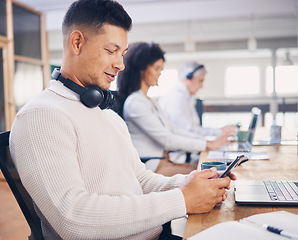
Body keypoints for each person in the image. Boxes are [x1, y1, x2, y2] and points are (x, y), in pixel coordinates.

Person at [9, 1, 236, 239]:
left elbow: (140, 178)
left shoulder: (106, 114)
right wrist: (181, 199)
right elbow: (73, 219)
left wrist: (188, 183)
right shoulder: (41, 116)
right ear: (76, 42)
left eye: (123, 53)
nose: (120, 64)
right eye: (111, 51)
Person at [117, 42, 235, 175]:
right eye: (156, 68)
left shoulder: (148, 100)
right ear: (141, 68)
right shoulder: (135, 103)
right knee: (212, 175)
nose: (159, 74)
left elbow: (173, 129)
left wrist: (207, 142)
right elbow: (167, 139)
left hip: (165, 161)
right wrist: (207, 144)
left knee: (215, 172)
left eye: (161, 69)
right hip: (153, 167)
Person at [159, 61, 238, 138]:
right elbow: (188, 131)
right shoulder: (176, 98)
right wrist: (220, 132)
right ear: (188, 77)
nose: (201, 86)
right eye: (200, 81)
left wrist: (220, 131)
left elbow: (193, 129)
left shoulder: (185, 97)